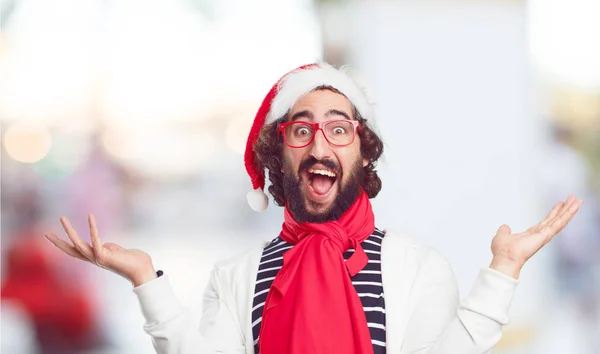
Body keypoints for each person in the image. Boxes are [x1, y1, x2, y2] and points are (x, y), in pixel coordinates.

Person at [45, 63, 583, 354]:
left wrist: (503, 271)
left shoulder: (416, 266)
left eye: (338, 128)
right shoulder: (237, 276)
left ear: (361, 149)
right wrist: (146, 279)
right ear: (279, 153)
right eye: (301, 129)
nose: (320, 146)